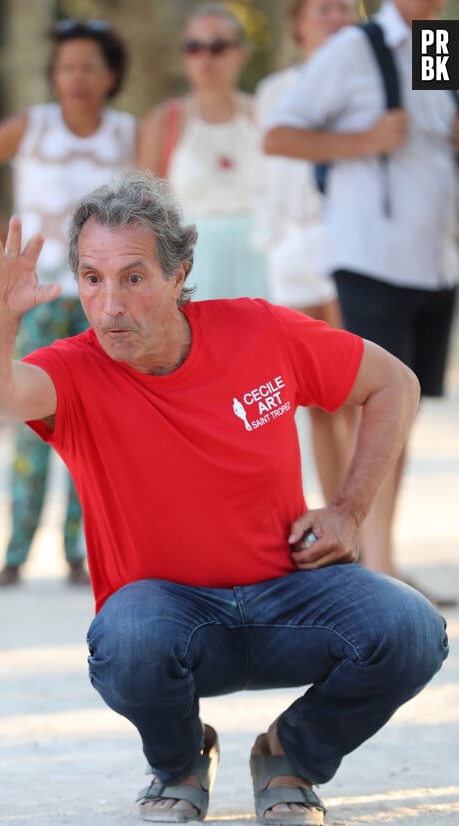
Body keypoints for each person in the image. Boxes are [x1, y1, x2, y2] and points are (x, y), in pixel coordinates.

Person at [0, 171, 448, 826]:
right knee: (126, 640)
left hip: (290, 599)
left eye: (133, 277)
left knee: (412, 629)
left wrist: (350, 508)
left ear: (179, 271)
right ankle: (182, 761)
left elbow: (395, 384)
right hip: (167, 622)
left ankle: (289, 755)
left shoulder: (259, 331)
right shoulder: (73, 370)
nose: (110, 305)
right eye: (92, 279)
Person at [264, 0, 457, 602]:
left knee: (405, 411)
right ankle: (374, 569)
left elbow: (440, 134)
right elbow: (280, 136)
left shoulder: (437, 44)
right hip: (370, 259)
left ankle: (383, 558)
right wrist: (366, 139)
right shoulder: (354, 46)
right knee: (374, 403)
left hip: (434, 260)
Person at [0, 19, 137, 587]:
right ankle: (15, 554)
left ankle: (83, 553)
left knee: (97, 426)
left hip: (105, 302)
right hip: (39, 297)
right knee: (30, 422)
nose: (75, 78)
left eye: (88, 67)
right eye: (65, 67)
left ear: (112, 75)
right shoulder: (32, 127)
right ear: (52, 76)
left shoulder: (130, 135)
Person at [253, 0, 357, 504]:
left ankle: (375, 540)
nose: (336, 16)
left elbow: (440, 76)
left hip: (358, 245)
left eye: (346, 7)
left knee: (365, 391)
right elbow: (269, 158)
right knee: (315, 397)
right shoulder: (275, 90)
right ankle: (342, 525)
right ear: (297, 23)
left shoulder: (421, 47)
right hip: (292, 245)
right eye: (324, 7)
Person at [138, 3, 267, 300]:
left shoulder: (264, 113)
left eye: (218, 46)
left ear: (241, 54)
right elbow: (144, 208)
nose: (206, 57)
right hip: (193, 269)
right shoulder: (164, 121)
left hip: (263, 264)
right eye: (194, 46)